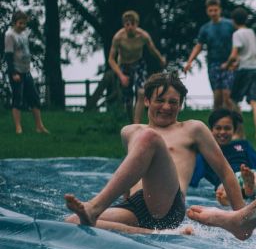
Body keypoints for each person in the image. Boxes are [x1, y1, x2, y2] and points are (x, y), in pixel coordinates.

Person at [64, 72, 245, 234]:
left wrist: (241, 219)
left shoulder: (193, 129)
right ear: (147, 101)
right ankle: (152, 233)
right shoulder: (129, 132)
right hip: (135, 205)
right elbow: (132, 171)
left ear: (180, 105)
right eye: (160, 100)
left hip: (168, 206)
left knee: (149, 137)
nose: (166, 107)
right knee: (72, 221)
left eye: (173, 102)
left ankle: (94, 207)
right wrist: (125, 200)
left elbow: (225, 172)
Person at [190, 108, 256, 206]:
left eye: (227, 128)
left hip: (245, 175)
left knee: (254, 176)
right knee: (223, 190)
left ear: (234, 130)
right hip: (224, 184)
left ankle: (248, 189)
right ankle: (243, 193)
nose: (223, 132)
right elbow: (191, 177)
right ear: (211, 130)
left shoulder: (243, 145)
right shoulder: (205, 154)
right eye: (218, 128)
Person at [107, 10, 167, 123]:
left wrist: (160, 59)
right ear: (124, 25)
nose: (130, 27)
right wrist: (121, 76)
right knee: (128, 100)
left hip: (138, 64)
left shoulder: (143, 36)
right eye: (127, 24)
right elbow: (110, 59)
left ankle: (137, 123)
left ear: (137, 24)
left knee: (141, 92)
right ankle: (131, 123)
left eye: (132, 24)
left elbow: (152, 49)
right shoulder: (118, 38)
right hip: (124, 66)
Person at [183, 0, 236, 111]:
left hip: (229, 62)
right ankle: (215, 126)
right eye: (210, 11)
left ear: (220, 10)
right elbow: (199, 45)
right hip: (213, 64)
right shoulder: (205, 29)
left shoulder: (230, 25)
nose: (213, 13)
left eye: (215, 10)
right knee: (217, 97)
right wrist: (189, 61)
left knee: (228, 96)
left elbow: (239, 43)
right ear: (207, 11)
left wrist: (237, 59)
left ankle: (237, 126)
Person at [4, 10, 49, 134]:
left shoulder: (24, 34)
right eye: (20, 23)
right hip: (16, 72)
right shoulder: (9, 35)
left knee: (34, 98)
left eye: (24, 23)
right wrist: (13, 73)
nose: (23, 26)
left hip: (26, 71)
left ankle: (39, 126)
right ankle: (18, 128)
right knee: (17, 99)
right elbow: (8, 56)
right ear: (14, 22)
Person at [223, 7, 256, 142]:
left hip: (244, 70)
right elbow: (252, 52)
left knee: (233, 100)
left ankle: (240, 132)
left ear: (233, 21)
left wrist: (227, 65)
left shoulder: (237, 34)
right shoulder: (251, 32)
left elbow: (234, 54)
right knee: (254, 101)